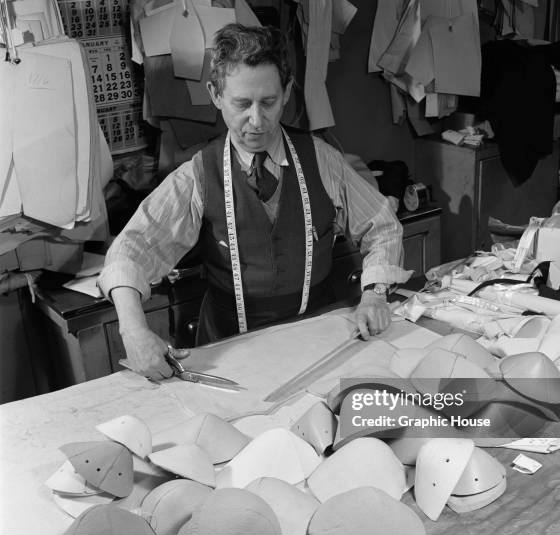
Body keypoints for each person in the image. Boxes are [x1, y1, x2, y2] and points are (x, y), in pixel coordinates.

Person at [98, 23, 409, 381]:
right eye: (242, 104)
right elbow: (130, 251)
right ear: (215, 94)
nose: (257, 121)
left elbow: (383, 226)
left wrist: (374, 295)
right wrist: (133, 331)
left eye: (269, 102)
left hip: (321, 342)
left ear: (287, 91)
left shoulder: (322, 159)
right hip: (229, 352)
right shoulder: (199, 174)